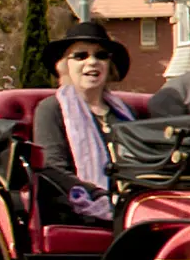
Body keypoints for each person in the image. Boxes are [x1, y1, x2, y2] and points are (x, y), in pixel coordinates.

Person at [31, 17, 131, 223]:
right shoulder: (51, 109)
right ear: (63, 66)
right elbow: (52, 169)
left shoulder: (124, 113)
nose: (92, 62)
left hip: (129, 203)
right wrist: (98, 195)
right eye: (80, 56)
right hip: (75, 207)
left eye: (101, 56)